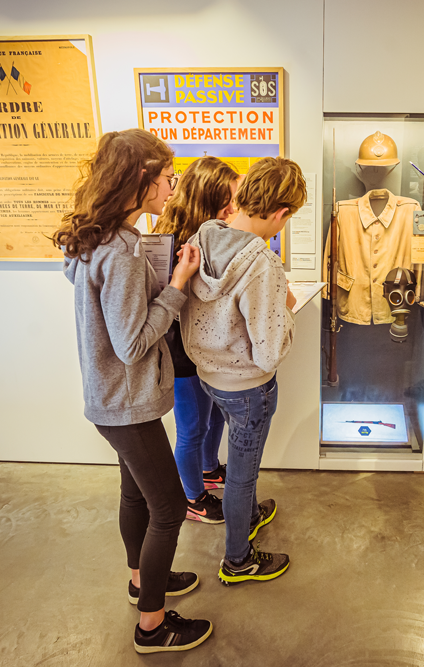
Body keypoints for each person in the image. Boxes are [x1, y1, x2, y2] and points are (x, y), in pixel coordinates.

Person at [54, 129, 212, 654]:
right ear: (142, 178)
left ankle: (141, 580)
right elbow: (132, 343)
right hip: (126, 401)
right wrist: (177, 286)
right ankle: (152, 626)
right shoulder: (120, 249)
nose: (172, 189)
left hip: (108, 398)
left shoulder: (94, 237)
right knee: (167, 510)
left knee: (134, 493)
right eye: (167, 179)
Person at [180, 156, 304, 586]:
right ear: (282, 212)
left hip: (210, 376)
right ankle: (238, 560)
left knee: (238, 469)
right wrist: (288, 313)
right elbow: (269, 353)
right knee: (241, 472)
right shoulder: (262, 263)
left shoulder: (205, 235)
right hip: (249, 386)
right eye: (287, 219)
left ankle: (249, 514)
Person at [153, 157, 242, 523]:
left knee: (212, 418)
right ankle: (192, 498)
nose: (235, 209)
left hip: (205, 348)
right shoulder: (172, 243)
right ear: (211, 201)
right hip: (180, 353)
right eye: (229, 201)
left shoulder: (207, 237)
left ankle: (208, 469)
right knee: (191, 430)